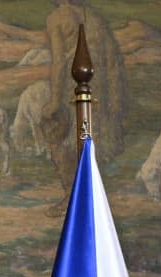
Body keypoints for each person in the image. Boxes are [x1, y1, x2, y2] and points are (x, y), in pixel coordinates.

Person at [41, 0, 126, 198]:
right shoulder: (95, 18)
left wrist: (54, 100)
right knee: (91, 139)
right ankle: (88, 197)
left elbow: (60, 63)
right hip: (100, 87)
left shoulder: (58, 17)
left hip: (73, 88)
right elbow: (112, 61)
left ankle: (72, 197)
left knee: (61, 138)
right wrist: (113, 99)